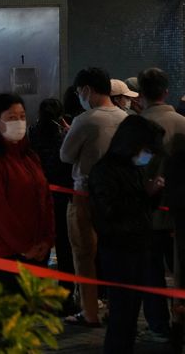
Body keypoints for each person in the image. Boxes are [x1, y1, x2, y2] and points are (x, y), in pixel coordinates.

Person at [89, 115, 166, 354]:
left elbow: (141, 208)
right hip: (118, 250)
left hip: (138, 246)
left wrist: (152, 194)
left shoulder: (132, 169)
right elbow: (109, 212)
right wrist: (145, 194)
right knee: (122, 315)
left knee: (131, 314)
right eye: (147, 149)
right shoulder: (105, 170)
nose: (148, 155)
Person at [60, 67, 126, 327]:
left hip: (85, 195)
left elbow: (65, 156)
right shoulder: (124, 117)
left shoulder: (85, 120)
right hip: (118, 196)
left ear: (87, 89)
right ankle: (116, 308)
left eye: (79, 92)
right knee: (115, 254)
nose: (79, 96)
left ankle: (89, 312)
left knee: (84, 254)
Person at [0, 93, 55, 289]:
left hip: (37, 252)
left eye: (22, 117)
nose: (19, 122)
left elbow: (45, 198)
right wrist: (25, 246)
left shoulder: (29, 156)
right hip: (6, 255)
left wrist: (47, 240)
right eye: (11, 118)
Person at [137, 67, 185, 343]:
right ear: (166, 92)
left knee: (151, 271)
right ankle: (180, 320)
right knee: (180, 269)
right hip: (180, 213)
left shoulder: (138, 126)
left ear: (141, 95)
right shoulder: (182, 123)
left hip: (150, 213)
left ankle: (158, 325)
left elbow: (134, 169)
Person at [28, 98, 76, 313]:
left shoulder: (32, 132)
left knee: (40, 247)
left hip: (38, 198)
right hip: (62, 197)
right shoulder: (64, 134)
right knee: (65, 250)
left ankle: (36, 297)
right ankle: (65, 299)